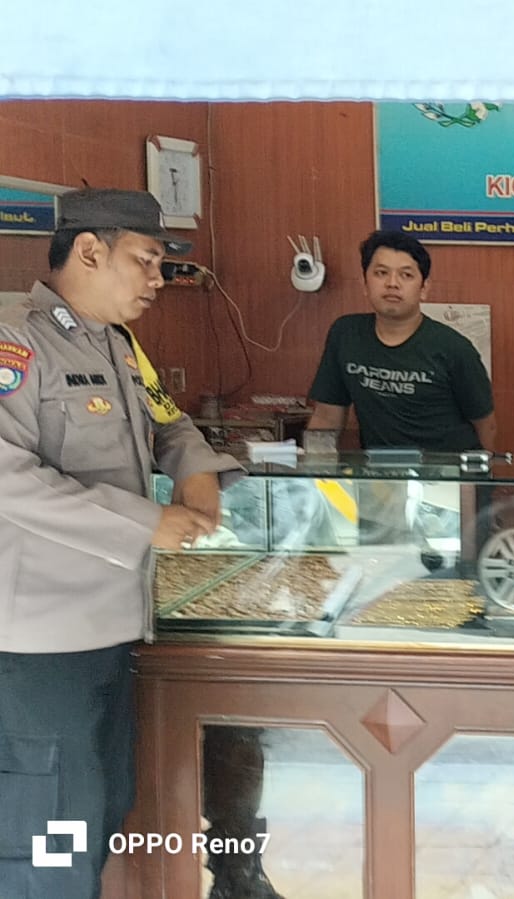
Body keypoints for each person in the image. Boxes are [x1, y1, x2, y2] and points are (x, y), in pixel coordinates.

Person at [0, 188, 242, 898]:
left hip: (111, 628)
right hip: (41, 641)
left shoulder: (118, 345)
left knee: (101, 808)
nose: (157, 280)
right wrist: (145, 521)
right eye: (146, 260)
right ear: (89, 251)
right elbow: (7, 477)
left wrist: (197, 473)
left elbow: (169, 423)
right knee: (51, 832)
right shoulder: (17, 346)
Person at [306, 229, 496, 452]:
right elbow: (326, 417)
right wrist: (315, 469)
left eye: (406, 275)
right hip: (378, 471)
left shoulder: (454, 348)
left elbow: (486, 425)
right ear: (365, 284)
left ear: (424, 288)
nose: (392, 283)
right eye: (381, 273)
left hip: (447, 470)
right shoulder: (346, 334)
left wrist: (483, 471)